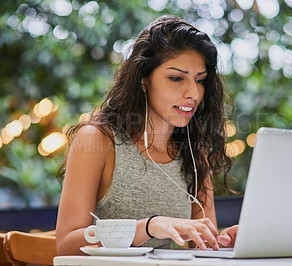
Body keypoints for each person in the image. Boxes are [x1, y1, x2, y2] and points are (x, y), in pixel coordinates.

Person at [55, 14, 238, 255]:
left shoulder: (194, 153)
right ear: (143, 80)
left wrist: (225, 241)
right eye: (176, 78)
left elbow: (202, 245)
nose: (193, 92)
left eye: (200, 81)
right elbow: (67, 245)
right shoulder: (98, 140)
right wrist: (149, 227)